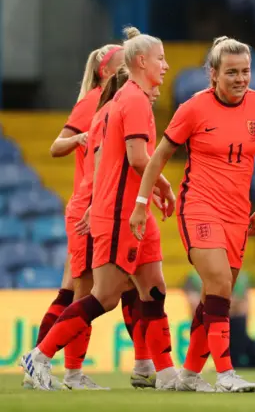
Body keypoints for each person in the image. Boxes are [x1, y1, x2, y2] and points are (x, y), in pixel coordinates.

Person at [20, 27, 177, 391]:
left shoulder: (118, 102)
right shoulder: (129, 101)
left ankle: (165, 373)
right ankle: (41, 358)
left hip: (127, 209)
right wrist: (161, 187)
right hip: (122, 212)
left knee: (152, 290)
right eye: (160, 58)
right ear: (140, 62)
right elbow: (137, 159)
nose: (167, 66)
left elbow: (105, 160)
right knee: (100, 295)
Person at [129, 36, 255, 393]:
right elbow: (157, 158)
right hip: (198, 206)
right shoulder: (193, 109)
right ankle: (226, 373)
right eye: (231, 72)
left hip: (237, 213)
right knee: (218, 284)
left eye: (245, 71)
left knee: (219, 295)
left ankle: (189, 375)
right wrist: (141, 204)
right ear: (213, 74)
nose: (240, 79)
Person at [23, 44, 124, 391]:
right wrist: (83, 136)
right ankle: (59, 366)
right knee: (85, 292)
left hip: (103, 203)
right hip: (90, 205)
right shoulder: (93, 101)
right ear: (105, 71)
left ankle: (50, 368)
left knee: (73, 291)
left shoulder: (120, 102)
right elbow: (56, 146)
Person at [73, 68, 162, 389]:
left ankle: (148, 366)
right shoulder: (112, 112)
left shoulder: (119, 110)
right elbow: (102, 163)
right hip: (106, 211)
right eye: (157, 64)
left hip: (116, 209)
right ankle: (46, 361)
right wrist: (93, 203)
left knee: (138, 290)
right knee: (89, 293)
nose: (161, 73)